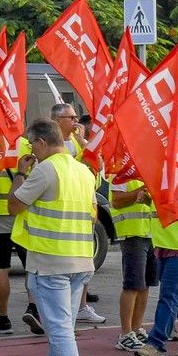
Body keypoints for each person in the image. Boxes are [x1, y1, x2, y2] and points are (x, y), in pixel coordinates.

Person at [9, 118, 98, 356]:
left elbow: (14, 205)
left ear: (42, 143)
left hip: (50, 261)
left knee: (59, 329)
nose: (30, 148)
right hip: (80, 259)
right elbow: (94, 215)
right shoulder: (83, 171)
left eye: (31, 142)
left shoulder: (45, 170)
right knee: (64, 326)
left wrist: (20, 174)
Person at [135, 150, 178, 356]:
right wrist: (146, 197)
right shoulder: (163, 171)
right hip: (166, 243)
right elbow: (163, 202)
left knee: (170, 295)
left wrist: (151, 190)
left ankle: (156, 343)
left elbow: (177, 192)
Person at [50, 104, 105, 326]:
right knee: (62, 266)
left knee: (83, 262)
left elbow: (97, 165)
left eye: (75, 118)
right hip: (61, 208)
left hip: (83, 206)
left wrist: (83, 142)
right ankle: (59, 312)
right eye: (71, 118)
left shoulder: (76, 141)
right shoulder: (51, 142)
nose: (76, 122)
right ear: (56, 120)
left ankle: (81, 306)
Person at [0, 147, 30, 334]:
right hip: (22, 211)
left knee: (0, 267)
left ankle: (3, 319)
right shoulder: (27, 146)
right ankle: (35, 309)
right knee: (32, 266)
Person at [109, 173, 157, 350]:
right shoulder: (122, 170)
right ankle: (125, 333)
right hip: (132, 233)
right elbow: (116, 201)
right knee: (132, 284)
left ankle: (137, 328)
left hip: (151, 232)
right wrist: (139, 192)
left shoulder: (149, 167)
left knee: (145, 284)